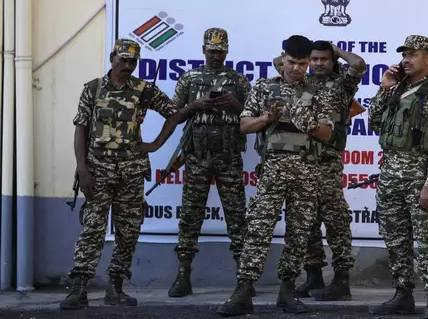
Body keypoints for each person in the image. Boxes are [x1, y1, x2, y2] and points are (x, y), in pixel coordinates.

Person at [60, 39, 210, 310]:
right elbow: (80, 129)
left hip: (131, 172)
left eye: (133, 61)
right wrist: (82, 169)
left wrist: (155, 143)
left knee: (128, 231)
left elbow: (174, 114)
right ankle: (79, 287)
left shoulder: (143, 90)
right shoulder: (93, 89)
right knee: (92, 229)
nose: (128, 66)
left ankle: (115, 287)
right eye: (123, 60)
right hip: (98, 171)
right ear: (112, 58)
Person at [216, 35, 335, 316]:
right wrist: (267, 119)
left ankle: (287, 292)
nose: (296, 69)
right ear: (283, 58)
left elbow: (328, 133)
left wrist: (304, 120)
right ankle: (243, 291)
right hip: (272, 169)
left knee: (299, 234)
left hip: (306, 171)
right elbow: (244, 125)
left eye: (302, 64)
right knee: (258, 229)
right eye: (292, 62)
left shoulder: (318, 92)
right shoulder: (263, 87)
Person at [367, 35, 428, 319]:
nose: (406, 59)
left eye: (412, 54)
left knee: (427, 238)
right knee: (395, 238)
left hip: (419, 174)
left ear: (427, 59)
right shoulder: (396, 90)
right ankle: (402, 294)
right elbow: (373, 122)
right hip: (390, 172)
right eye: (404, 54)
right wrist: (384, 89)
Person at [162, 27, 252, 298]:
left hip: (229, 158)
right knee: (190, 217)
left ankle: (244, 278)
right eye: (211, 50)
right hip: (197, 157)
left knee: (237, 217)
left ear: (227, 51)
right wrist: (195, 106)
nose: (215, 55)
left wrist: (235, 104)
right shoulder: (190, 79)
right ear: (203, 50)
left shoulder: (238, 80)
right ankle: (183, 275)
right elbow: (174, 114)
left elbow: (254, 116)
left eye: (220, 50)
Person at [285, 41, 366, 301]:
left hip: (328, 163)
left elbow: (359, 65)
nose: (319, 63)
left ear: (333, 62)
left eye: (324, 59)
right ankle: (313, 275)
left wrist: (337, 50)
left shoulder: (342, 84)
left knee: (335, 221)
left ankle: (342, 280)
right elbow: (281, 62)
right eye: (314, 58)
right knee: (305, 221)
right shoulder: (301, 81)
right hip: (301, 161)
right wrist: (302, 50)